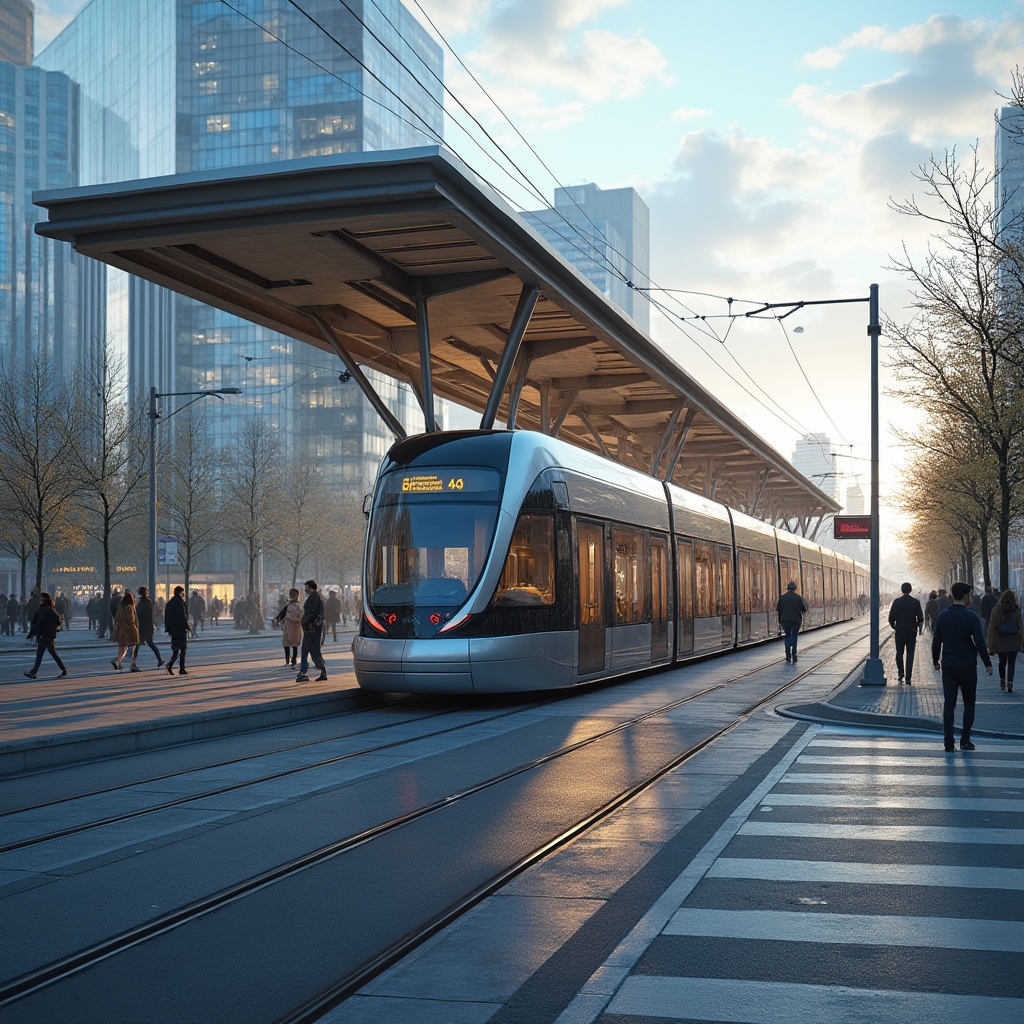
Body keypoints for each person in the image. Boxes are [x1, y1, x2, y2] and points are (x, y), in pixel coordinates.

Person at [931, 581, 993, 752]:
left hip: (949, 665)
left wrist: (935, 660)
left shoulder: (943, 615)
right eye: (970, 595)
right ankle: (965, 740)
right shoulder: (971, 616)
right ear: (966, 596)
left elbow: (936, 642)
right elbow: (980, 642)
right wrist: (987, 663)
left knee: (949, 704)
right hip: (967, 666)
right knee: (969, 704)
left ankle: (948, 742)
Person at [986, 589, 1024, 693]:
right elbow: (1021, 626)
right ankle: (1010, 683)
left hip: (1000, 639)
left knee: (1002, 662)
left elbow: (992, 627)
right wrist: (1022, 640)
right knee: (1011, 663)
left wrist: (991, 644)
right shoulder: (1016, 609)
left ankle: (1002, 681)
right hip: (1013, 640)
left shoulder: (996, 609)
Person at [23, 593, 67, 679]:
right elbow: (58, 622)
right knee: (53, 653)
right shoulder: (52, 611)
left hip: (44, 636)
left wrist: (36, 635)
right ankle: (63, 669)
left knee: (39, 655)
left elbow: (39, 624)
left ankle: (33, 672)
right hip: (51, 636)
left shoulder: (42, 611)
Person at [888, 582, 924, 684]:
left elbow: (891, 618)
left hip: (900, 631)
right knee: (910, 653)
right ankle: (908, 676)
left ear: (902, 590)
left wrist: (895, 627)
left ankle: (900, 673)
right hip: (911, 631)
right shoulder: (915, 602)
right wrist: (916, 625)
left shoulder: (897, 602)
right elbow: (920, 618)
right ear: (910, 590)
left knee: (899, 653)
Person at [296, 579, 327, 683]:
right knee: (314, 650)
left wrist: (310, 624)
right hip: (313, 627)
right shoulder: (317, 597)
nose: (305, 589)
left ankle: (303, 672)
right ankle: (322, 671)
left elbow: (314, 613)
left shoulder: (314, 598)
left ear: (311, 587)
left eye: (307, 587)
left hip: (312, 628)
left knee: (307, 650)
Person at [131, 585, 164, 671]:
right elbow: (150, 615)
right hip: (147, 626)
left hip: (140, 625)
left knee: (138, 645)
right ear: (145, 592)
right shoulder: (148, 602)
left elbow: (137, 614)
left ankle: (133, 663)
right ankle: (159, 660)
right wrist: (157, 614)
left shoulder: (138, 602)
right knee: (150, 643)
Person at [164, 585, 194, 675]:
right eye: (183, 593)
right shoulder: (180, 603)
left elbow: (167, 617)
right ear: (180, 593)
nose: (184, 595)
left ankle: (170, 664)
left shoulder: (169, 603)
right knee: (183, 649)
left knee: (176, 649)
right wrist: (188, 626)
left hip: (173, 630)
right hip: (180, 629)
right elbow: (183, 617)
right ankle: (181, 668)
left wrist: (168, 629)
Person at [776, 580, 807, 663]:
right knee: (794, 636)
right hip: (796, 621)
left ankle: (788, 656)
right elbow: (804, 609)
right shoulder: (798, 598)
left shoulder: (782, 597)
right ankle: (794, 653)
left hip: (785, 621)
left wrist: (780, 620)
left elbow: (778, 610)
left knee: (787, 636)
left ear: (788, 588)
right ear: (795, 588)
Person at [272, 588, 303, 668]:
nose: (292, 596)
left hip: (295, 626)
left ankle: (293, 660)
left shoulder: (298, 606)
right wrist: (277, 619)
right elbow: (283, 613)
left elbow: (300, 616)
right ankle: (288, 660)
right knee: (287, 643)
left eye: (293, 594)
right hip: (288, 626)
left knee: (294, 644)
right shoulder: (289, 605)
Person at [111, 590, 140, 671]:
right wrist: (136, 627)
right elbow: (131, 619)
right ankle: (133, 665)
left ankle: (118, 662)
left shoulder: (120, 606)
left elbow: (116, 618)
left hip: (120, 629)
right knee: (134, 647)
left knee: (122, 648)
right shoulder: (130, 607)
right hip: (129, 629)